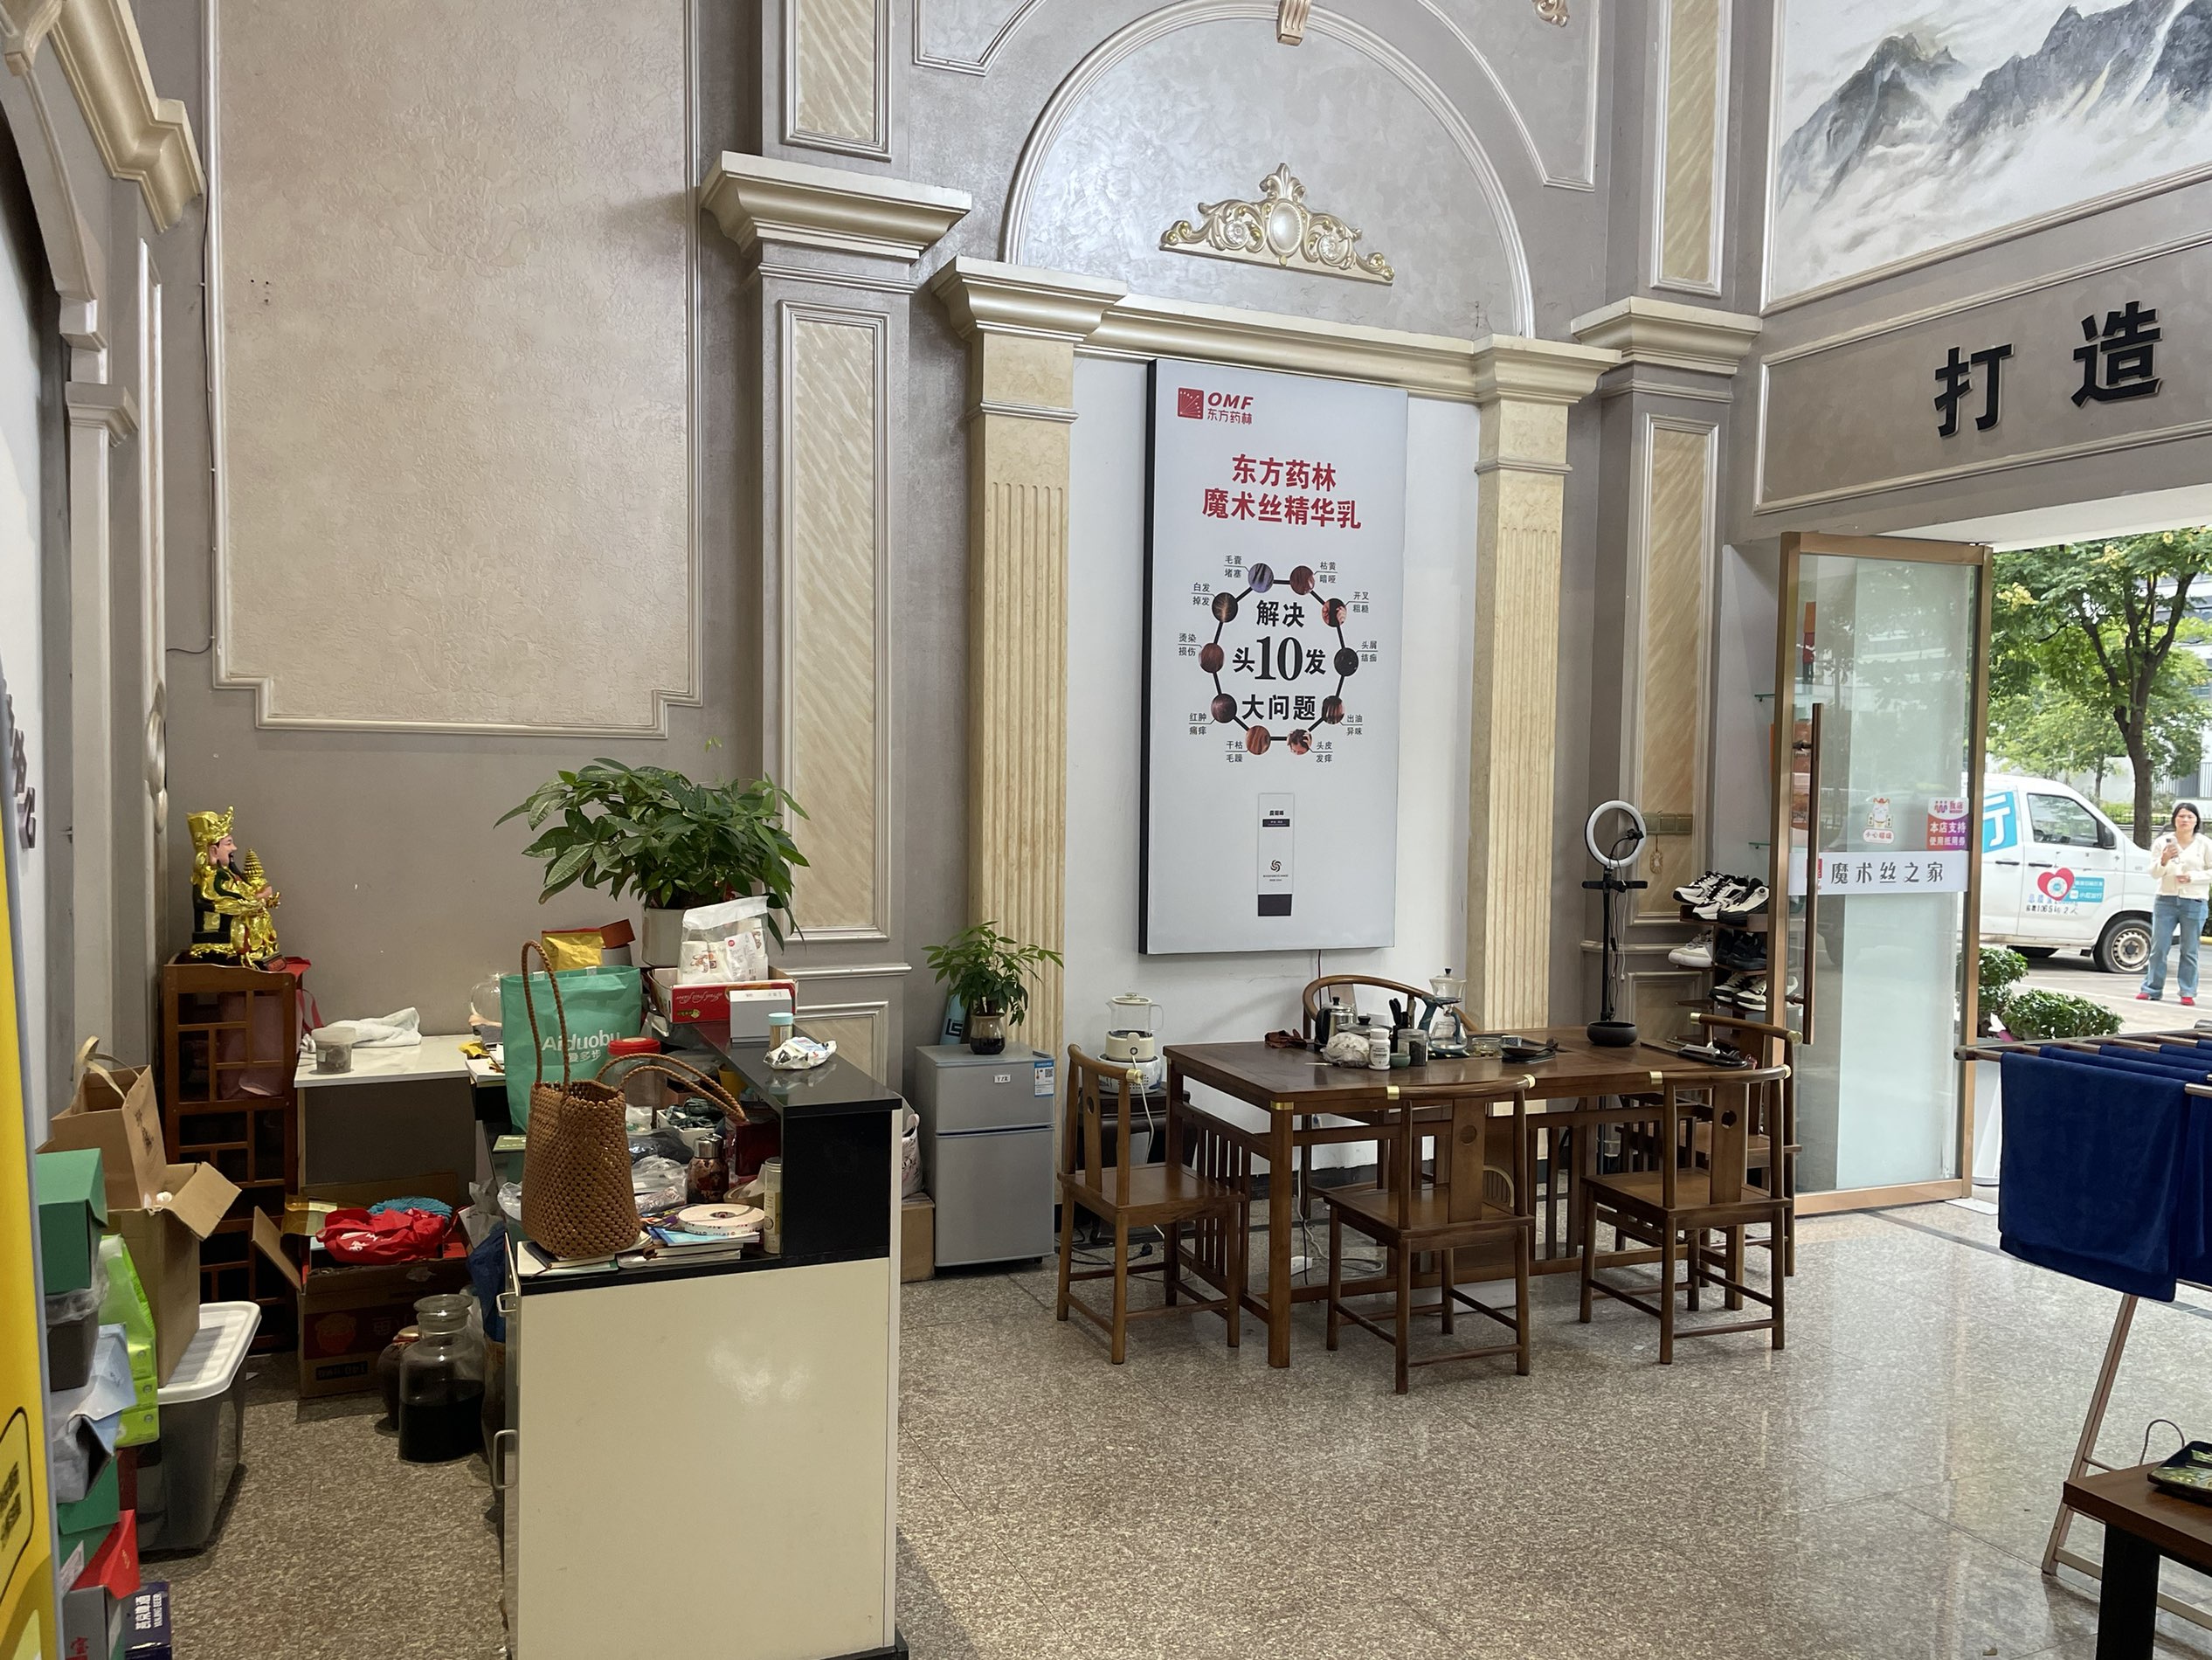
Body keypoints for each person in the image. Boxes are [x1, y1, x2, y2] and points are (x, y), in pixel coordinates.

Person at [2139, 801, 2212, 1004]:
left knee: (2189, 949)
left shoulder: (2205, 844)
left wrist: (2193, 877)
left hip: (2194, 900)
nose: (2185, 820)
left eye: (2189, 816)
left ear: (2196, 821)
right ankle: (2151, 988)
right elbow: (2154, 873)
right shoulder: (2163, 842)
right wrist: (2164, 860)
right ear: (2174, 819)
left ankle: (2187, 991)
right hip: (2166, 899)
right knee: (2159, 947)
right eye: (2181, 816)